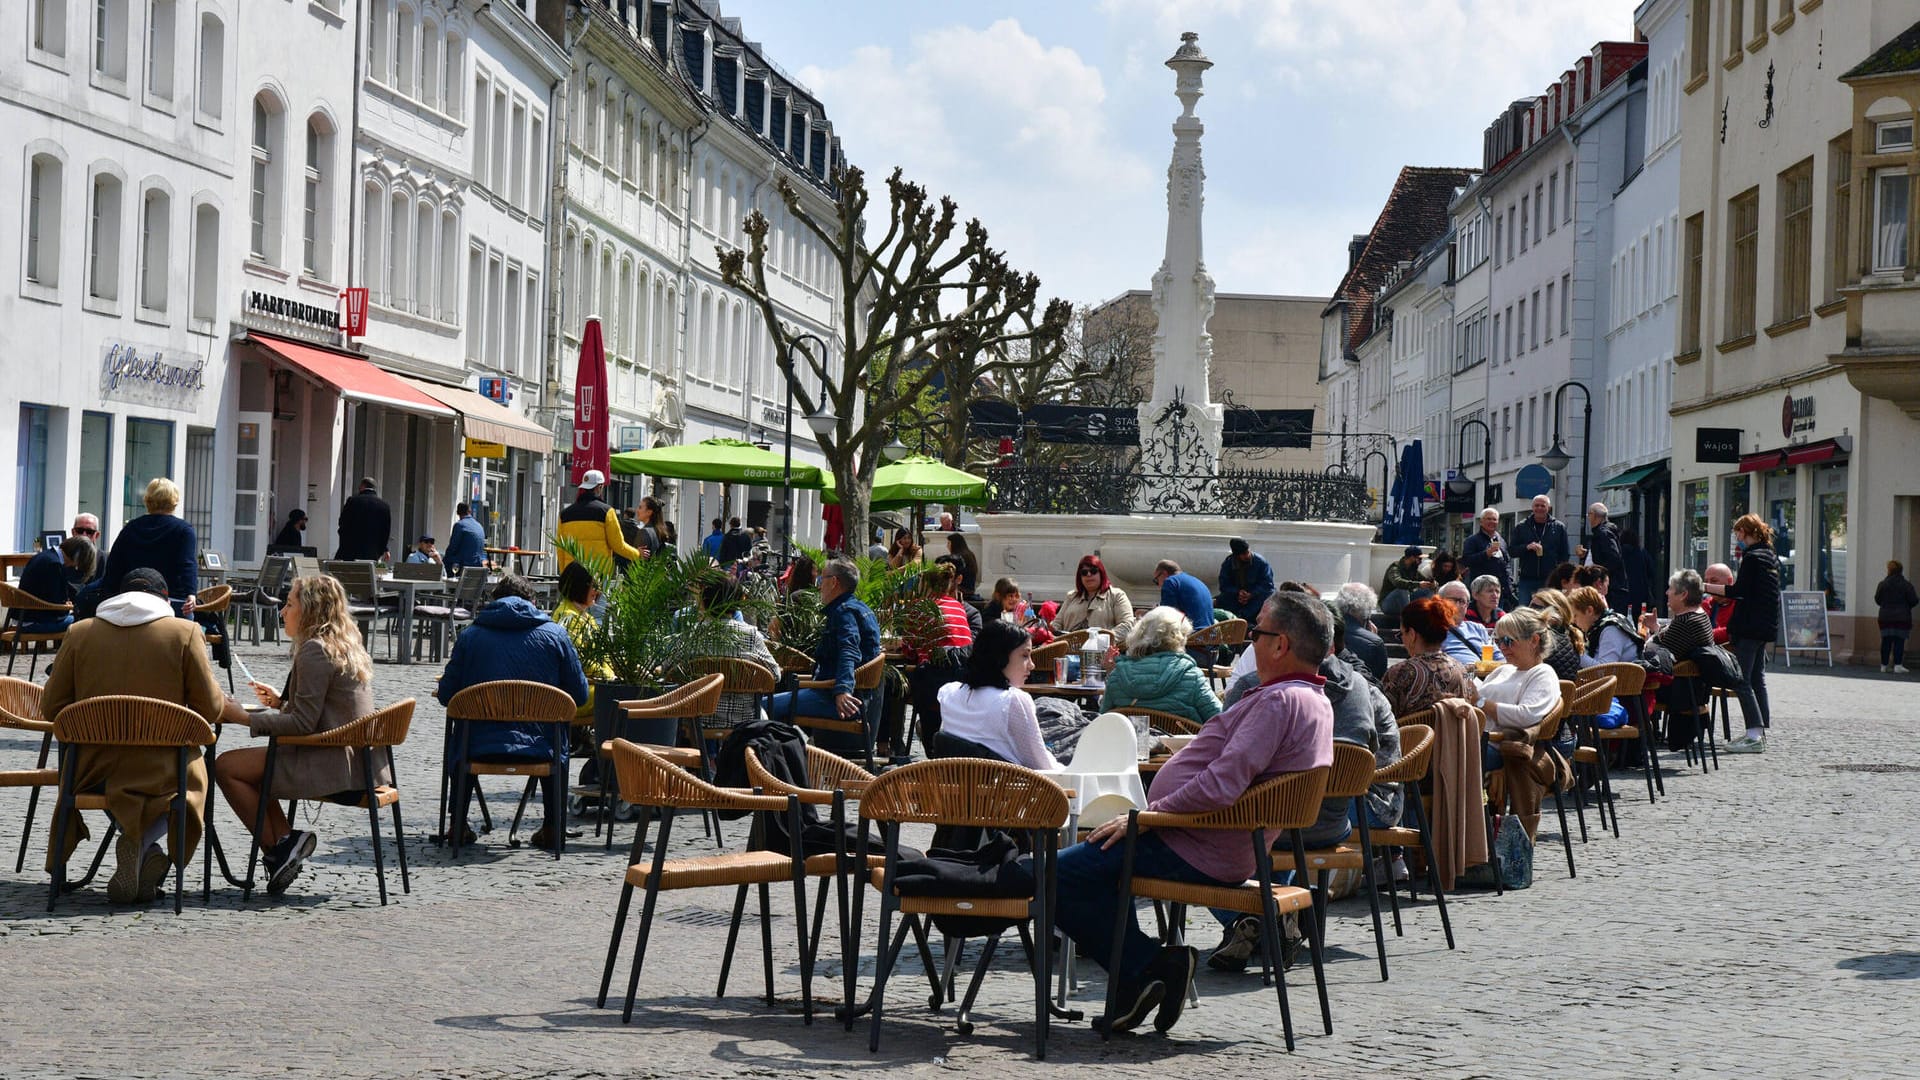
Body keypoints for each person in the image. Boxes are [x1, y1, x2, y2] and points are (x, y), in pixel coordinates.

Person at [1047, 591, 1335, 1034]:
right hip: (1211, 839)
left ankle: (1153, 965)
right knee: (1079, 871)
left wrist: (1147, 817)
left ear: (1280, 645)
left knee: (1051, 876)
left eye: (1256, 631)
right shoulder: (1311, 699)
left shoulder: (1280, 701)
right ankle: (1137, 978)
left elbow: (1223, 784)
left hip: (1195, 841)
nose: (1249, 642)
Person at [41, 568, 232, 904]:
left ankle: (141, 846)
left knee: (140, 777)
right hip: (164, 767)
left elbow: (52, 706)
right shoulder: (184, 633)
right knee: (194, 775)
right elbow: (212, 709)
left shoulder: (79, 632)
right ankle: (144, 844)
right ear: (164, 597)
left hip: (92, 769)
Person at [212, 575, 387, 895]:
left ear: (309, 610)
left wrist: (244, 717)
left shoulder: (315, 651)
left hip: (331, 765)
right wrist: (280, 703)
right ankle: (284, 844)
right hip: (361, 763)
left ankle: (280, 846)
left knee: (226, 766)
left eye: (289, 605)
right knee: (244, 768)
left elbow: (303, 724)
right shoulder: (347, 642)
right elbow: (322, 708)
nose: (282, 612)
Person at [437, 575, 590, 849]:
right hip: (542, 748)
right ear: (532, 602)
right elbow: (579, 695)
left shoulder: (470, 636)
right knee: (556, 732)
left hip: (478, 747)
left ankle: (457, 823)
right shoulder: (555, 636)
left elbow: (448, 695)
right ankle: (554, 825)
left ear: (493, 603)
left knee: (464, 729)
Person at [1475, 606, 1573, 837]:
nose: (1502, 648)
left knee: (1444, 763)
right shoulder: (1504, 670)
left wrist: (1480, 703)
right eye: (1499, 641)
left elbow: (1526, 715)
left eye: (1509, 641)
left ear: (1534, 640)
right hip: (1482, 739)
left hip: (1500, 746)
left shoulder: (1542, 673)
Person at [767, 558, 881, 726]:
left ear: (834, 582)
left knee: (760, 706)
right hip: (848, 696)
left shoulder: (844, 612)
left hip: (836, 699)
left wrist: (843, 690)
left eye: (822, 579)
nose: (819, 586)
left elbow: (849, 650)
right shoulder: (860, 608)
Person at [933, 619, 1059, 769]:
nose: (1032, 665)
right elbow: (1041, 766)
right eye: (1025, 656)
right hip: (1009, 788)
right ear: (1000, 657)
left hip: (960, 786)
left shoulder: (949, 693)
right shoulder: (1012, 700)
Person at [1701, 518, 1778, 750]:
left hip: (1749, 626)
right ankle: (1760, 732)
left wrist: (1703, 587)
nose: (1737, 540)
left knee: (1742, 679)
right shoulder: (1770, 556)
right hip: (1765, 627)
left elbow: (1738, 591)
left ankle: (1753, 735)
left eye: (1737, 535)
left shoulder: (1752, 557)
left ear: (1744, 532)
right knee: (1757, 679)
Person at [1098, 606, 1223, 726]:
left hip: (1130, 745)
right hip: (1182, 746)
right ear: (1180, 638)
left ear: (1138, 635)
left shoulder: (1117, 676)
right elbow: (1221, 719)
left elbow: (1104, 719)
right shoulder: (1191, 676)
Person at [98, 478, 200, 617]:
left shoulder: (131, 527)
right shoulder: (183, 530)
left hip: (133, 597)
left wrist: (109, 593)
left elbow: (115, 564)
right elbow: (187, 564)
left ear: (147, 500)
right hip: (172, 598)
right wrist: (191, 593)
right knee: (184, 635)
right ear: (174, 501)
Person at [693, 577, 780, 731]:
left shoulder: (692, 635)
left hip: (699, 718)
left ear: (705, 601)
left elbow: (668, 671)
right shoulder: (750, 635)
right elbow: (775, 674)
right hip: (744, 719)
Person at [904, 562, 975, 749]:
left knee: (899, 683)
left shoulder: (920, 607)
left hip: (934, 678)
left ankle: (892, 742)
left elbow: (909, 648)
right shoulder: (959, 607)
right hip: (964, 677)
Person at [1381, 596, 1473, 717]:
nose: (1402, 640)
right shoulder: (1461, 670)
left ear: (1412, 634)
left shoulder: (1401, 672)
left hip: (1411, 736)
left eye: (1402, 634)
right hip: (1454, 736)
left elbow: (1382, 718)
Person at [551, 562, 611, 721]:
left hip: (588, 686)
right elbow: (581, 660)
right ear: (580, 587)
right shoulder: (569, 617)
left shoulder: (584, 615)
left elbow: (602, 654)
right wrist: (611, 678)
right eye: (593, 586)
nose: (597, 591)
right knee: (623, 694)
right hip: (571, 695)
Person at [556, 469, 642, 574]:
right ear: (599, 487)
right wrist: (637, 554)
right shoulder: (607, 512)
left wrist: (563, 573)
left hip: (572, 573)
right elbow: (618, 545)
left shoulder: (564, 514)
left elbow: (560, 548)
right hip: (598, 573)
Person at [17, 536, 97, 633]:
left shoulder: (45, 556)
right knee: (84, 620)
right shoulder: (54, 565)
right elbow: (56, 607)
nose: (75, 567)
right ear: (77, 557)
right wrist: (66, 607)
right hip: (33, 622)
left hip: (24, 618)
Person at [1055, 554, 1135, 640]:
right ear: (1080, 577)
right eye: (1084, 572)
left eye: (1093, 571)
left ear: (1101, 573)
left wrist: (1102, 640)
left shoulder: (1117, 595)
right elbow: (1057, 624)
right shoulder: (1071, 596)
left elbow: (1127, 625)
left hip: (1104, 651)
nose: (1089, 575)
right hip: (1071, 650)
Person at [1509, 495, 1570, 605]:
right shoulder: (1522, 526)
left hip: (1550, 580)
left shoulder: (1558, 527)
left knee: (1549, 611)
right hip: (1527, 579)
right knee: (1525, 612)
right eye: (1537, 505)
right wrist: (1526, 547)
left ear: (1549, 508)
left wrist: (1559, 575)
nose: (1540, 508)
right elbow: (1512, 551)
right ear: (1532, 507)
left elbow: (1564, 554)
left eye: (1543, 505)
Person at [1566, 585, 1642, 668]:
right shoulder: (1596, 629)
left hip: (1625, 680)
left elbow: (1604, 670)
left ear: (1589, 610)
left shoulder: (1611, 629)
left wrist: (1576, 653)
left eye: (1575, 615)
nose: (1573, 621)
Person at [1578, 503, 1631, 613]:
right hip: (1609, 586)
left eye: (1589, 514)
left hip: (1611, 589)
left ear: (1595, 516)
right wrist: (1587, 554)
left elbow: (1613, 558)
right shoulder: (1602, 532)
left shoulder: (1603, 533)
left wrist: (1599, 575)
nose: (1588, 517)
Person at [1437, 580, 1502, 668]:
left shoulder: (1477, 628)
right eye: (1452, 600)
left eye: (1462, 601)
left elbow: (1499, 658)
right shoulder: (1433, 629)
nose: (1457, 605)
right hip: (1457, 676)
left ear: (1467, 606)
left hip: (1487, 677)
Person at [1525, 587, 1586, 679]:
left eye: (1536, 607)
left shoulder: (1542, 638)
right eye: (1529, 607)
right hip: (1564, 692)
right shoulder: (1570, 636)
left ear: (1554, 612)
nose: (1529, 612)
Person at [1332, 583, 1388, 682]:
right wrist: (1373, 638)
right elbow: (1377, 683)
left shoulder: (1328, 629)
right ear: (1365, 609)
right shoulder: (1374, 643)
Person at [1460, 508, 1513, 608]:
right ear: (1481, 521)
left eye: (1494, 519)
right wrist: (1486, 554)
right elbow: (1466, 560)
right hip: (1481, 590)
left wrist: (1510, 582)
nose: (1492, 522)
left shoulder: (1501, 540)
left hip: (1499, 589)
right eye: (1488, 519)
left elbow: (1507, 562)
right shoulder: (1472, 540)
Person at [1215, 538, 1275, 624]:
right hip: (1236, 597)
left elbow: (1268, 585)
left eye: (1247, 552)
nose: (1247, 555)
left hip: (1256, 597)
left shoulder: (1260, 562)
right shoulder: (1228, 564)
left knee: (1268, 596)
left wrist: (1251, 594)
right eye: (1243, 554)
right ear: (1237, 555)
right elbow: (1224, 585)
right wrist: (1238, 592)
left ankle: (1242, 617)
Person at [334, 477, 393, 562]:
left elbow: (342, 523)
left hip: (350, 551)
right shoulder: (384, 506)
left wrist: (344, 541)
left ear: (362, 486)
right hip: (372, 553)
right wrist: (382, 550)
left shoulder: (352, 501)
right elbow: (385, 532)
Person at [1876, 560, 1919, 673]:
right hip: (1902, 617)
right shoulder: (1906, 585)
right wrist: (1906, 606)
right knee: (1899, 641)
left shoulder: (1883, 584)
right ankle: (1898, 665)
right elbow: (1914, 600)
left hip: (1885, 617)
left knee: (1886, 641)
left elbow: (1877, 599)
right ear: (1901, 570)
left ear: (1889, 570)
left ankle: (1884, 665)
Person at [1620, 528, 1659, 618]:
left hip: (1624, 595)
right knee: (1641, 623)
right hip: (1641, 595)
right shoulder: (1642, 553)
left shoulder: (1619, 554)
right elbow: (1652, 572)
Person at [1379, 545, 1428, 612]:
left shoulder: (1413, 569)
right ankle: (1407, 619)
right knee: (1402, 590)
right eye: (1419, 559)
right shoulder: (1395, 568)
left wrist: (1432, 583)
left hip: (1404, 603)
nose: (1420, 562)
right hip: (1387, 604)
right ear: (1411, 557)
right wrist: (1418, 584)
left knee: (1428, 590)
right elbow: (1397, 582)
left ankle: (1424, 615)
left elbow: (1425, 580)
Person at [443, 504, 488, 574]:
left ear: (457, 512)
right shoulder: (479, 525)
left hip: (464, 565)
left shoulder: (460, 525)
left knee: (444, 564)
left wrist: (443, 560)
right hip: (478, 565)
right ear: (470, 512)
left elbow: (452, 547)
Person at [1703, 563, 1736, 645]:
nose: (1708, 585)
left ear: (1730, 581)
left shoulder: (1741, 605)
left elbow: (1734, 631)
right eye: (1706, 581)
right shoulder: (1706, 604)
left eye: (1714, 581)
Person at [946, 533, 981, 601]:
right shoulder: (970, 554)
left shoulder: (956, 558)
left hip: (961, 590)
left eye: (949, 543)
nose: (947, 546)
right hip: (970, 589)